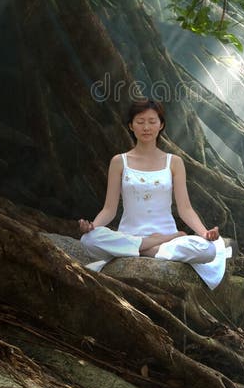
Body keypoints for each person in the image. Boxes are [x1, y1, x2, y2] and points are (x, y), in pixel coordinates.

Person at [78, 99, 229, 290]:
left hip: (164, 238)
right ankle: (152, 244)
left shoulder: (173, 162)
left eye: (152, 121)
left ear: (161, 125)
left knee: (208, 250)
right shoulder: (119, 162)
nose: (146, 127)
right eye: (140, 122)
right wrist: (92, 227)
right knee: (88, 240)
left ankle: (144, 248)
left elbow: (185, 209)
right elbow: (109, 209)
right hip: (132, 235)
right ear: (131, 126)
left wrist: (204, 233)